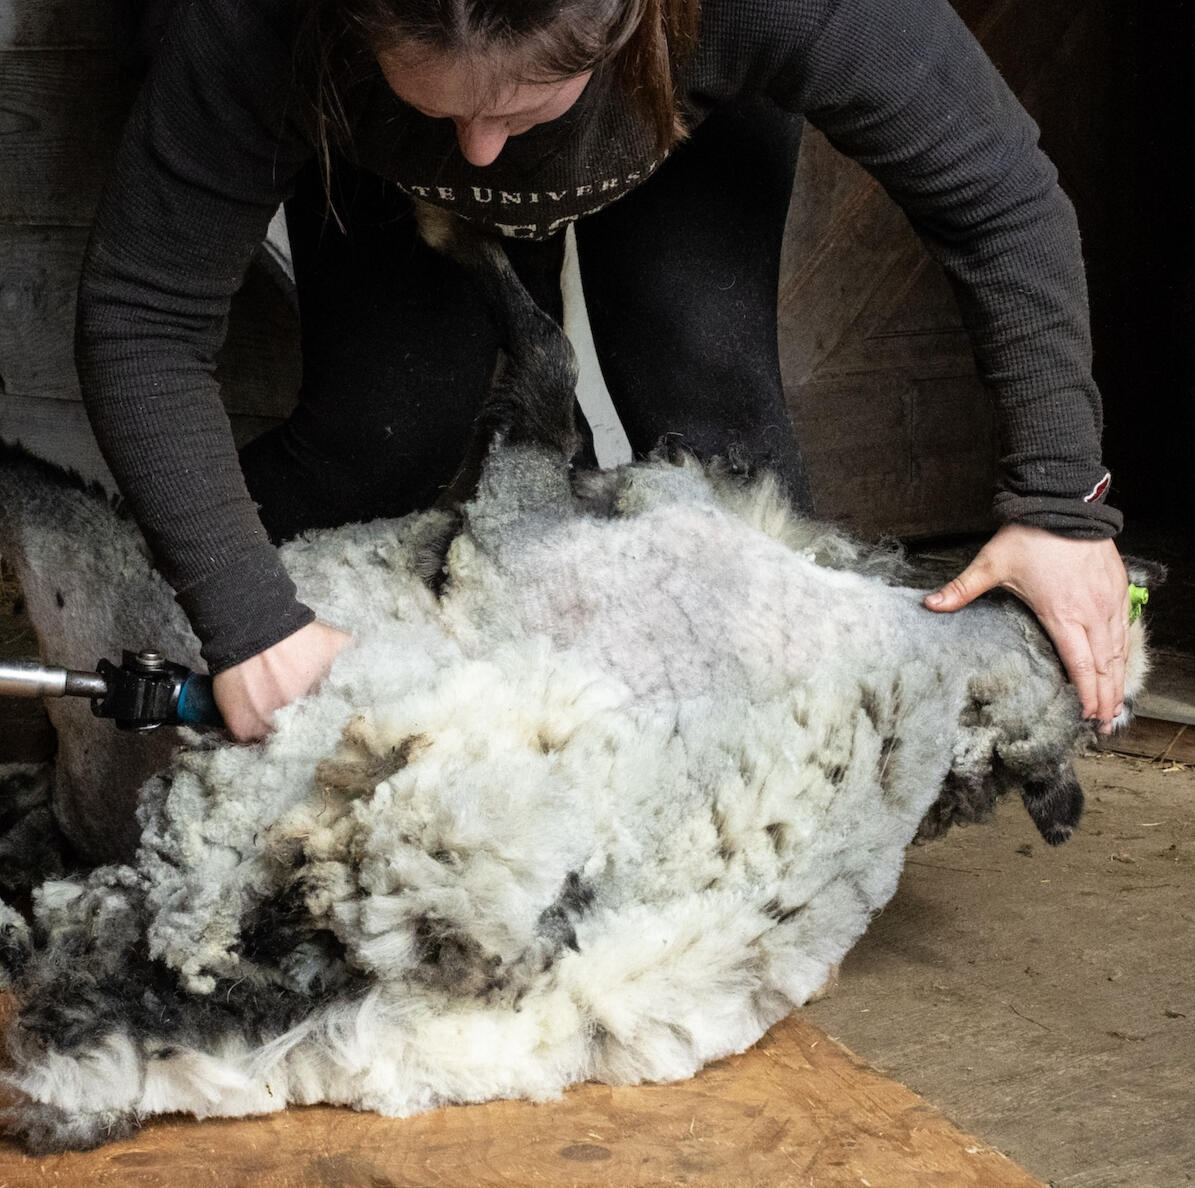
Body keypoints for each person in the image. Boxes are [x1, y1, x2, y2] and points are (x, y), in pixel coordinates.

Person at [77, 0, 1129, 743]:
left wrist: (1058, 504)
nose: (480, 150)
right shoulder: (260, 21)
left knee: (717, 433)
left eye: (517, 106)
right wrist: (247, 622)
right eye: (448, 109)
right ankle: (133, 635)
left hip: (677, 104)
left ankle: (735, 805)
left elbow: (999, 198)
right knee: (385, 431)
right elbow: (143, 315)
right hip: (359, 125)